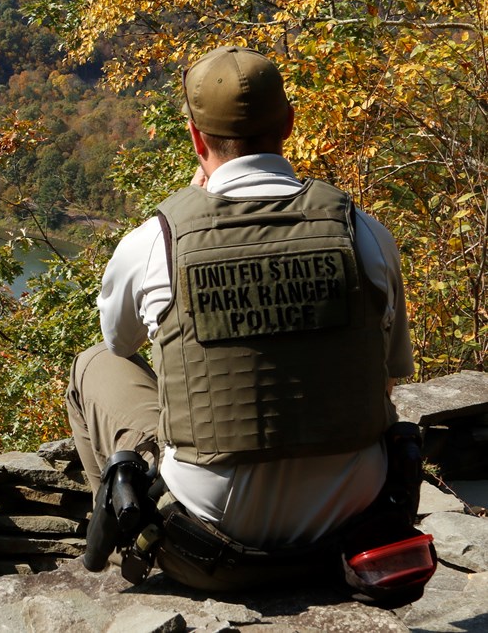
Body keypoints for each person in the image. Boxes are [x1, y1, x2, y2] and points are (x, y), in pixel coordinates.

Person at [66, 45, 414, 578]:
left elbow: (119, 342)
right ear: (290, 125)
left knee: (93, 364)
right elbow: (387, 379)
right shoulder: (363, 232)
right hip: (352, 528)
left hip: (208, 543)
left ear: (196, 138)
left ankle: (124, 536)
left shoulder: (158, 240)